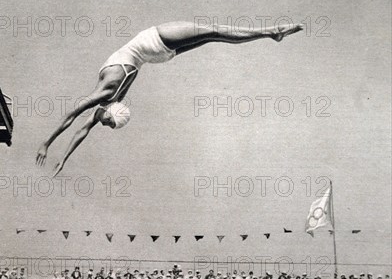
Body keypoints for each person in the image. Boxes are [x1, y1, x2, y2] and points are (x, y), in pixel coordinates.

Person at [36, 21, 303, 175]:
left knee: (213, 31)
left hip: (153, 42)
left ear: (112, 112)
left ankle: (270, 31)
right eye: (107, 124)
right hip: (152, 55)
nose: (101, 124)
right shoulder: (110, 100)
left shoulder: (108, 90)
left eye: (107, 124)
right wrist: (65, 158)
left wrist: (47, 144)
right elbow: (84, 129)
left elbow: (73, 116)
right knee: (213, 35)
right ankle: (269, 33)